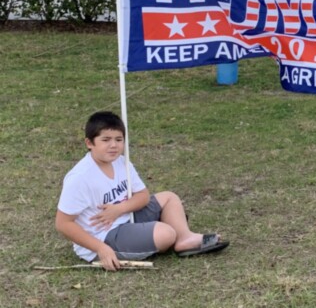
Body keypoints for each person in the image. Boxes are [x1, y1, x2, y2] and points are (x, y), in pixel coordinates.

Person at [55, 111, 228, 270]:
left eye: (119, 139)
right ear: (89, 143)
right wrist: (101, 248)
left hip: (126, 216)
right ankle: (165, 231)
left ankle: (184, 238)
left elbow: (143, 196)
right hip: (104, 235)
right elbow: (63, 224)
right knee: (166, 234)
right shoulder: (80, 177)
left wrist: (119, 209)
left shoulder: (121, 161)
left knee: (169, 197)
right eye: (105, 140)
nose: (113, 145)